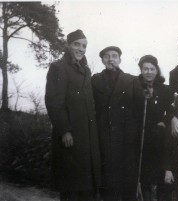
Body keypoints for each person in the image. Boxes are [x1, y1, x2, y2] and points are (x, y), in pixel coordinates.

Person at [45, 29, 102, 201]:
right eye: (76, 44)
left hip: (87, 138)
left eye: (84, 46)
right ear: (68, 46)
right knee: (71, 189)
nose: (80, 49)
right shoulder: (58, 68)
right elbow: (54, 102)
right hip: (70, 137)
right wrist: (64, 131)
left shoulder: (86, 70)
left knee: (87, 188)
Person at [91, 46, 139, 201]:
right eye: (106, 56)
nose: (111, 59)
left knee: (126, 177)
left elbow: (138, 107)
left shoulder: (132, 80)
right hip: (103, 134)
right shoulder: (95, 80)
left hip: (126, 137)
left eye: (114, 56)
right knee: (107, 177)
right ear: (102, 60)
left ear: (120, 59)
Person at [133, 55, 173, 201]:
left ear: (157, 70)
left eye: (151, 69)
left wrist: (164, 121)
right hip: (141, 134)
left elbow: (171, 110)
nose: (148, 72)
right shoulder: (135, 87)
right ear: (141, 71)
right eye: (145, 69)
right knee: (143, 172)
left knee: (159, 171)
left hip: (159, 135)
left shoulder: (165, 89)